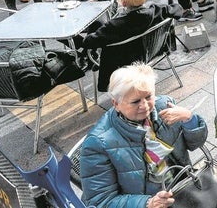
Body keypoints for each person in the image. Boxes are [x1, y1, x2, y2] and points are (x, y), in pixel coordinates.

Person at [80, 63, 209, 207]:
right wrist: (147, 203)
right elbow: (100, 201)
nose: (145, 106)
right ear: (116, 103)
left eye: (148, 96)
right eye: (135, 102)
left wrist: (189, 118)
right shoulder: (98, 144)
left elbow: (196, 143)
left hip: (182, 186)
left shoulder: (165, 107)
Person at [80, 0, 182, 91]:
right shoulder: (155, 11)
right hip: (153, 51)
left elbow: (88, 42)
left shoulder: (115, 26)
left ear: (123, 3)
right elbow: (177, 9)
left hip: (123, 61)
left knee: (95, 32)